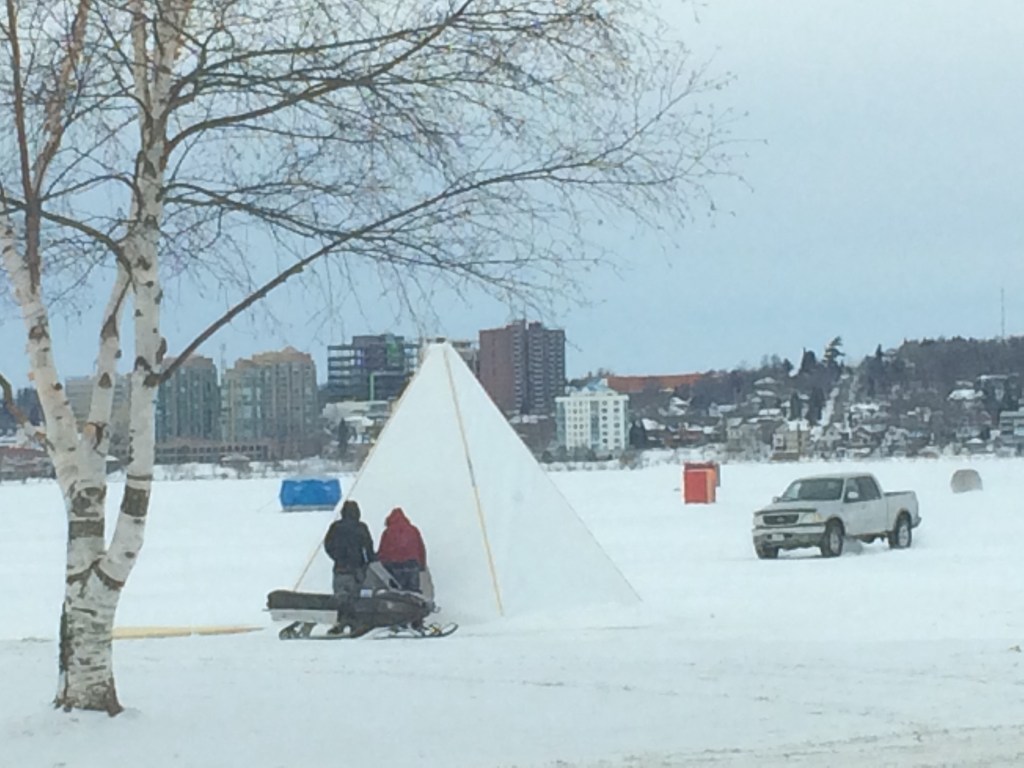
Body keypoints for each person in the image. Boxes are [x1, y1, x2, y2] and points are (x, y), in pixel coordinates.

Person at [323, 500, 375, 631]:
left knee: (340, 596)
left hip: (340, 568)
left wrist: (336, 557)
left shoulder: (335, 527)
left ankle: (340, 622)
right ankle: (354, 623)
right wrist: (369, 563)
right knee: (355, 597)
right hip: (357, 568)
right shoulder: (361, 527)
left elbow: (327, 545)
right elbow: (368, 547)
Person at [377, 506, 427, 593]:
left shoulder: (388, 532)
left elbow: (382, 552)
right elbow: (421, 549)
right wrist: (422, 566)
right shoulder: (413, 530)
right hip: (412, 565)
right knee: (413, 592)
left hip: (395, 566)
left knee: (397, 593)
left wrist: (384, 566)